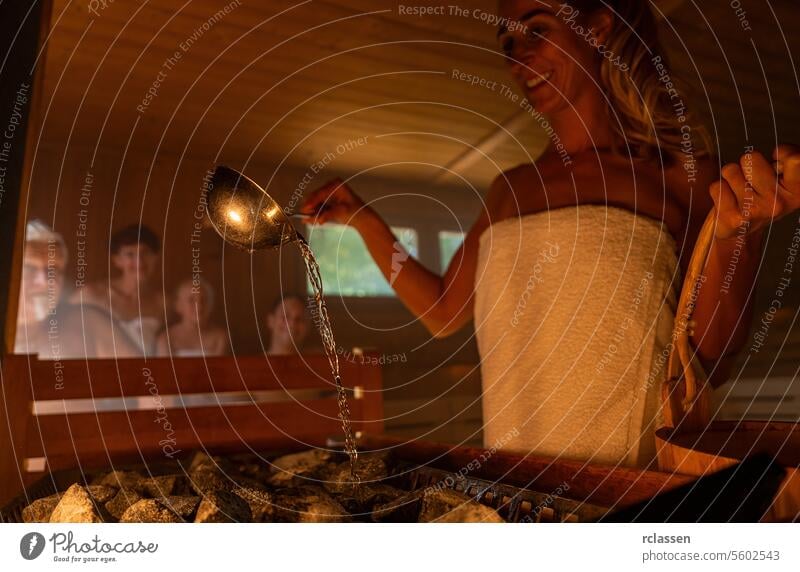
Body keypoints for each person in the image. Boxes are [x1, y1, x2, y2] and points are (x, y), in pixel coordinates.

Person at [301, 0, 800, 467]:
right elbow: (442, 310)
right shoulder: (508, 190)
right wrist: (363, 219)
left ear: (598, 29)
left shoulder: (679, 176)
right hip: (516, 488)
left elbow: (710, 358)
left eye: (537, 30)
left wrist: (740, 234)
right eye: (508, 43)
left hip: (630, 485)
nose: (519, 57)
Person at [15, 220, 141, 359]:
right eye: (29, 268)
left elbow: (143, 376)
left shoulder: (89, 324)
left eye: (53, 269)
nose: (44, 281)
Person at [72, 223, 165, 356]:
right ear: (117, 260)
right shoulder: (90, 295)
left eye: (146, 253)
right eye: (130, 254)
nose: (139, 261)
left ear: (156, 257)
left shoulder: (163, 304)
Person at [155, 278, 229, 357]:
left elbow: (218, 368)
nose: (199, 306)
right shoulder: (166, 339)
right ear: (178, 305)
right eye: (191, 300)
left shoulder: (220, 337)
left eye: (203, 300)